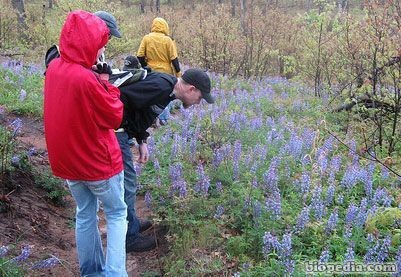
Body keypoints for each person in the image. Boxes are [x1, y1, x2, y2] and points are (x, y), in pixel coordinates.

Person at [43, 10, 128, 276]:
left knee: (85, 213)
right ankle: (115, 273)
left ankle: (90, 272)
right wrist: (107, 83)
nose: (102, 47)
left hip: (68, 164)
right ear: (89, 42)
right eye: (100, 42)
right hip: (98, 163)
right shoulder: (87, 79)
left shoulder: (54, 68)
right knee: (116, 214)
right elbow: (114, 116)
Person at [115, 61, 215, 253]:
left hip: (122, 132)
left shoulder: (167, 90)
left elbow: (140, 111)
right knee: (127, 182)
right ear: (192, 89)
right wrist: (120, 129)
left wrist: (141, 139)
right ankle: (129, 238)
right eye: (200, 97)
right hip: (115, 132)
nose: (198, 102)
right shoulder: (160, 86)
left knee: (128, 181)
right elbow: (121, 97)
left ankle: (132, 224)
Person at [136, 17, 182, 125]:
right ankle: (163, 120)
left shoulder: (146, 38)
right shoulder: (167, 40)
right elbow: (174, 59)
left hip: (151, 72)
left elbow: (140, 55)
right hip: (166, 73)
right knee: (165, 97)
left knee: (151, 95)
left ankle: (151, 120)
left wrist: (145, 66)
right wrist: (178, 74)